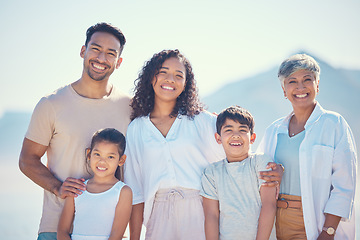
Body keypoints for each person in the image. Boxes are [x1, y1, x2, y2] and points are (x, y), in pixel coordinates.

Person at [124, 49, 282, 240]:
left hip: (201, 210)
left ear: (185, 84)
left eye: (178, 75)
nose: (170, 79)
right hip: (158, 214)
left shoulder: (202, 120)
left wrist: (273, 170)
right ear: (151, 77)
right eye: (163, 72)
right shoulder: (137, 128)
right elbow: (136, 191)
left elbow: (239, 154)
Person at [19, 23, 131, 240]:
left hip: (111, 233)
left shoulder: (129, 107)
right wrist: (57, 187)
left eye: (110, 53)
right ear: (83, 51)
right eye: (95, 49)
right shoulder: (51, 104)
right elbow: (27, 159)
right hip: (55, 228)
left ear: (119, 62)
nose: (101, 58)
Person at [257, 53, 357, 240]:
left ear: (317, 85)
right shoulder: (273, 131)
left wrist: (328, 232)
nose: (300, 87)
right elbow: (257, 173)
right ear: (283, 89)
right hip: (274, 222)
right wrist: (275, 175)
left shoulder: (334, 124)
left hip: (314, 222)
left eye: (307, 79)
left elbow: (344, 186)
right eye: (292, 81)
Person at [201, 106, 277, 240]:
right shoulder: (211, 173)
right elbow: (211, 216)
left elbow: (269, 205)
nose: (236, 135)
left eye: (242, 130)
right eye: (228, 130)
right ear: (218, 138)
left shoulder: (261, 162)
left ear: (252, 138)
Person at [57, 128, 132, 240]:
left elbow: (116, 235)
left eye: (110, 157)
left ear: (121, 160)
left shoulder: (123, 192)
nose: (102, 161)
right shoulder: (77, 188)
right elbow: (62, 231)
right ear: (89, 154)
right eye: (97, 154)